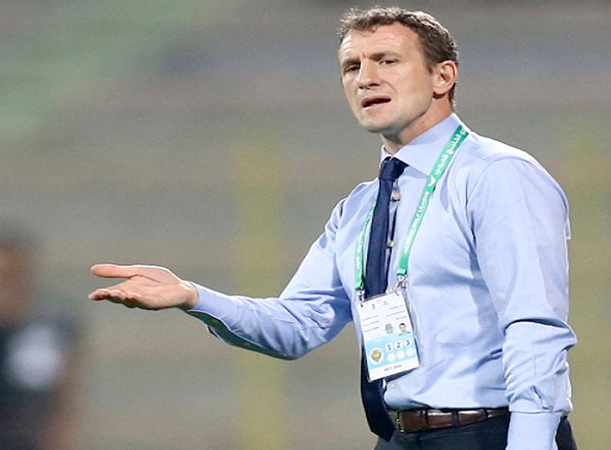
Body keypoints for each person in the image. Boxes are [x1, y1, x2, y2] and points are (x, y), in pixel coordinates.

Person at [89, 7, 577, 450]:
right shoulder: (360, 208)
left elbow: (534, 325)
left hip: (490, 433)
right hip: (400, 436)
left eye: (387, 61)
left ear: (442, 76)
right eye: (351, 66)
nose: (366, 78)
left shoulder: (496, 175)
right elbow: (296, 325)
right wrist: (193, 297)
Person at [0, 224, 81, 450]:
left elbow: (65, 390)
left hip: (29, 437)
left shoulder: (50, 322)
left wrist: (61, 438)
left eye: (10, 275)